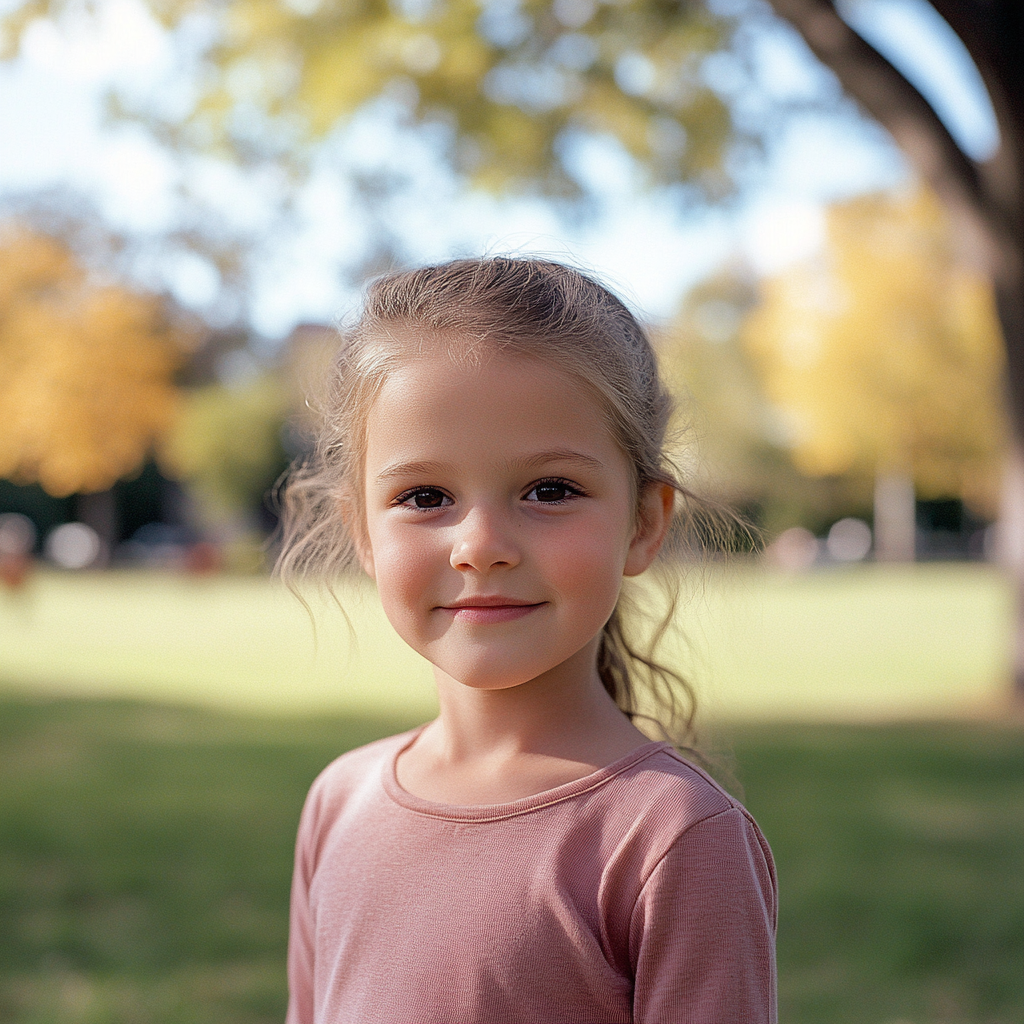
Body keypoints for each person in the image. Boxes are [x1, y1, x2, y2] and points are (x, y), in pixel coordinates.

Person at [277, 257, 777, 1024]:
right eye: (424, 496)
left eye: (550, 490)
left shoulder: (673, 839)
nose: (481, 545)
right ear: (363, 534)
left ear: (643, 523)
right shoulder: (338, 801)